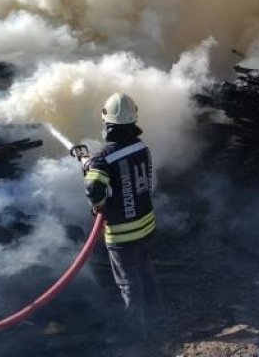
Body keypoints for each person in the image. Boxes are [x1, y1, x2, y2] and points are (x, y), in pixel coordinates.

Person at [82, 93, 160, 335]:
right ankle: (157, 315)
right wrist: (91, 164)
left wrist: (98, 205)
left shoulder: (102, 159)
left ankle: (136, 332)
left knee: (128, 283)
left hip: (122, 233)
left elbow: (94, 189)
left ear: (106, 120)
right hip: (147, 225)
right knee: (145, 270)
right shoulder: (141, 147)